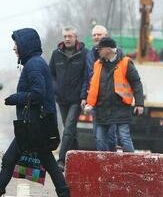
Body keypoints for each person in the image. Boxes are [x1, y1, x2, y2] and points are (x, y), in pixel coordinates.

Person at [0, 28, 75, 197]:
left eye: (16, 44)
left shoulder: (34, 65)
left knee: (11, 160)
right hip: (36, 124)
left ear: (26, 45)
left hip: (35, 126)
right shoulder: (34, 63)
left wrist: (16, 98)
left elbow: (38, 94)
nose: (14, 48)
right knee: (45, 163)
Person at [83, 37, 144, 152]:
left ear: (107, 50)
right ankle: (104, 166)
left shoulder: (126, 63)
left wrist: (139, 104)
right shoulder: (97, 64)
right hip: (102, 108)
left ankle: (130, 165)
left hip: (121, 108)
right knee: (100, 140)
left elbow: (136, 83)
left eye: (99, 49)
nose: (98, 52)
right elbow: (93, 85)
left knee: (124, 138)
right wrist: (89, 103)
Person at [48, 26, 88, 167]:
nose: (67, 39)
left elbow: (86, 77)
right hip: (61, 98)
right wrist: (54, 89)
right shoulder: (56, 54)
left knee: (69, 127)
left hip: (76, 99)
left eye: (70, 36)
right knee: (70, 129)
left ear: (75, 37)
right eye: (65, 36)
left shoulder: (84, 54)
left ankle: (61, 160)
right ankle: (78, 159)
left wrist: (84, 96)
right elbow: (50, 74)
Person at [83, 25, 124, 148]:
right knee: (98, 136)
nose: (96, 37)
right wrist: (84, 97)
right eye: (94, 35)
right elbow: (88, 77)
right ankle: (102, 164)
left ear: (105, 35)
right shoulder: (90, 54)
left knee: (111, 136)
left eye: (99, 34)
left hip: (111, 100)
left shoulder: (117, 54)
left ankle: (112, 161)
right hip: (96, 100)